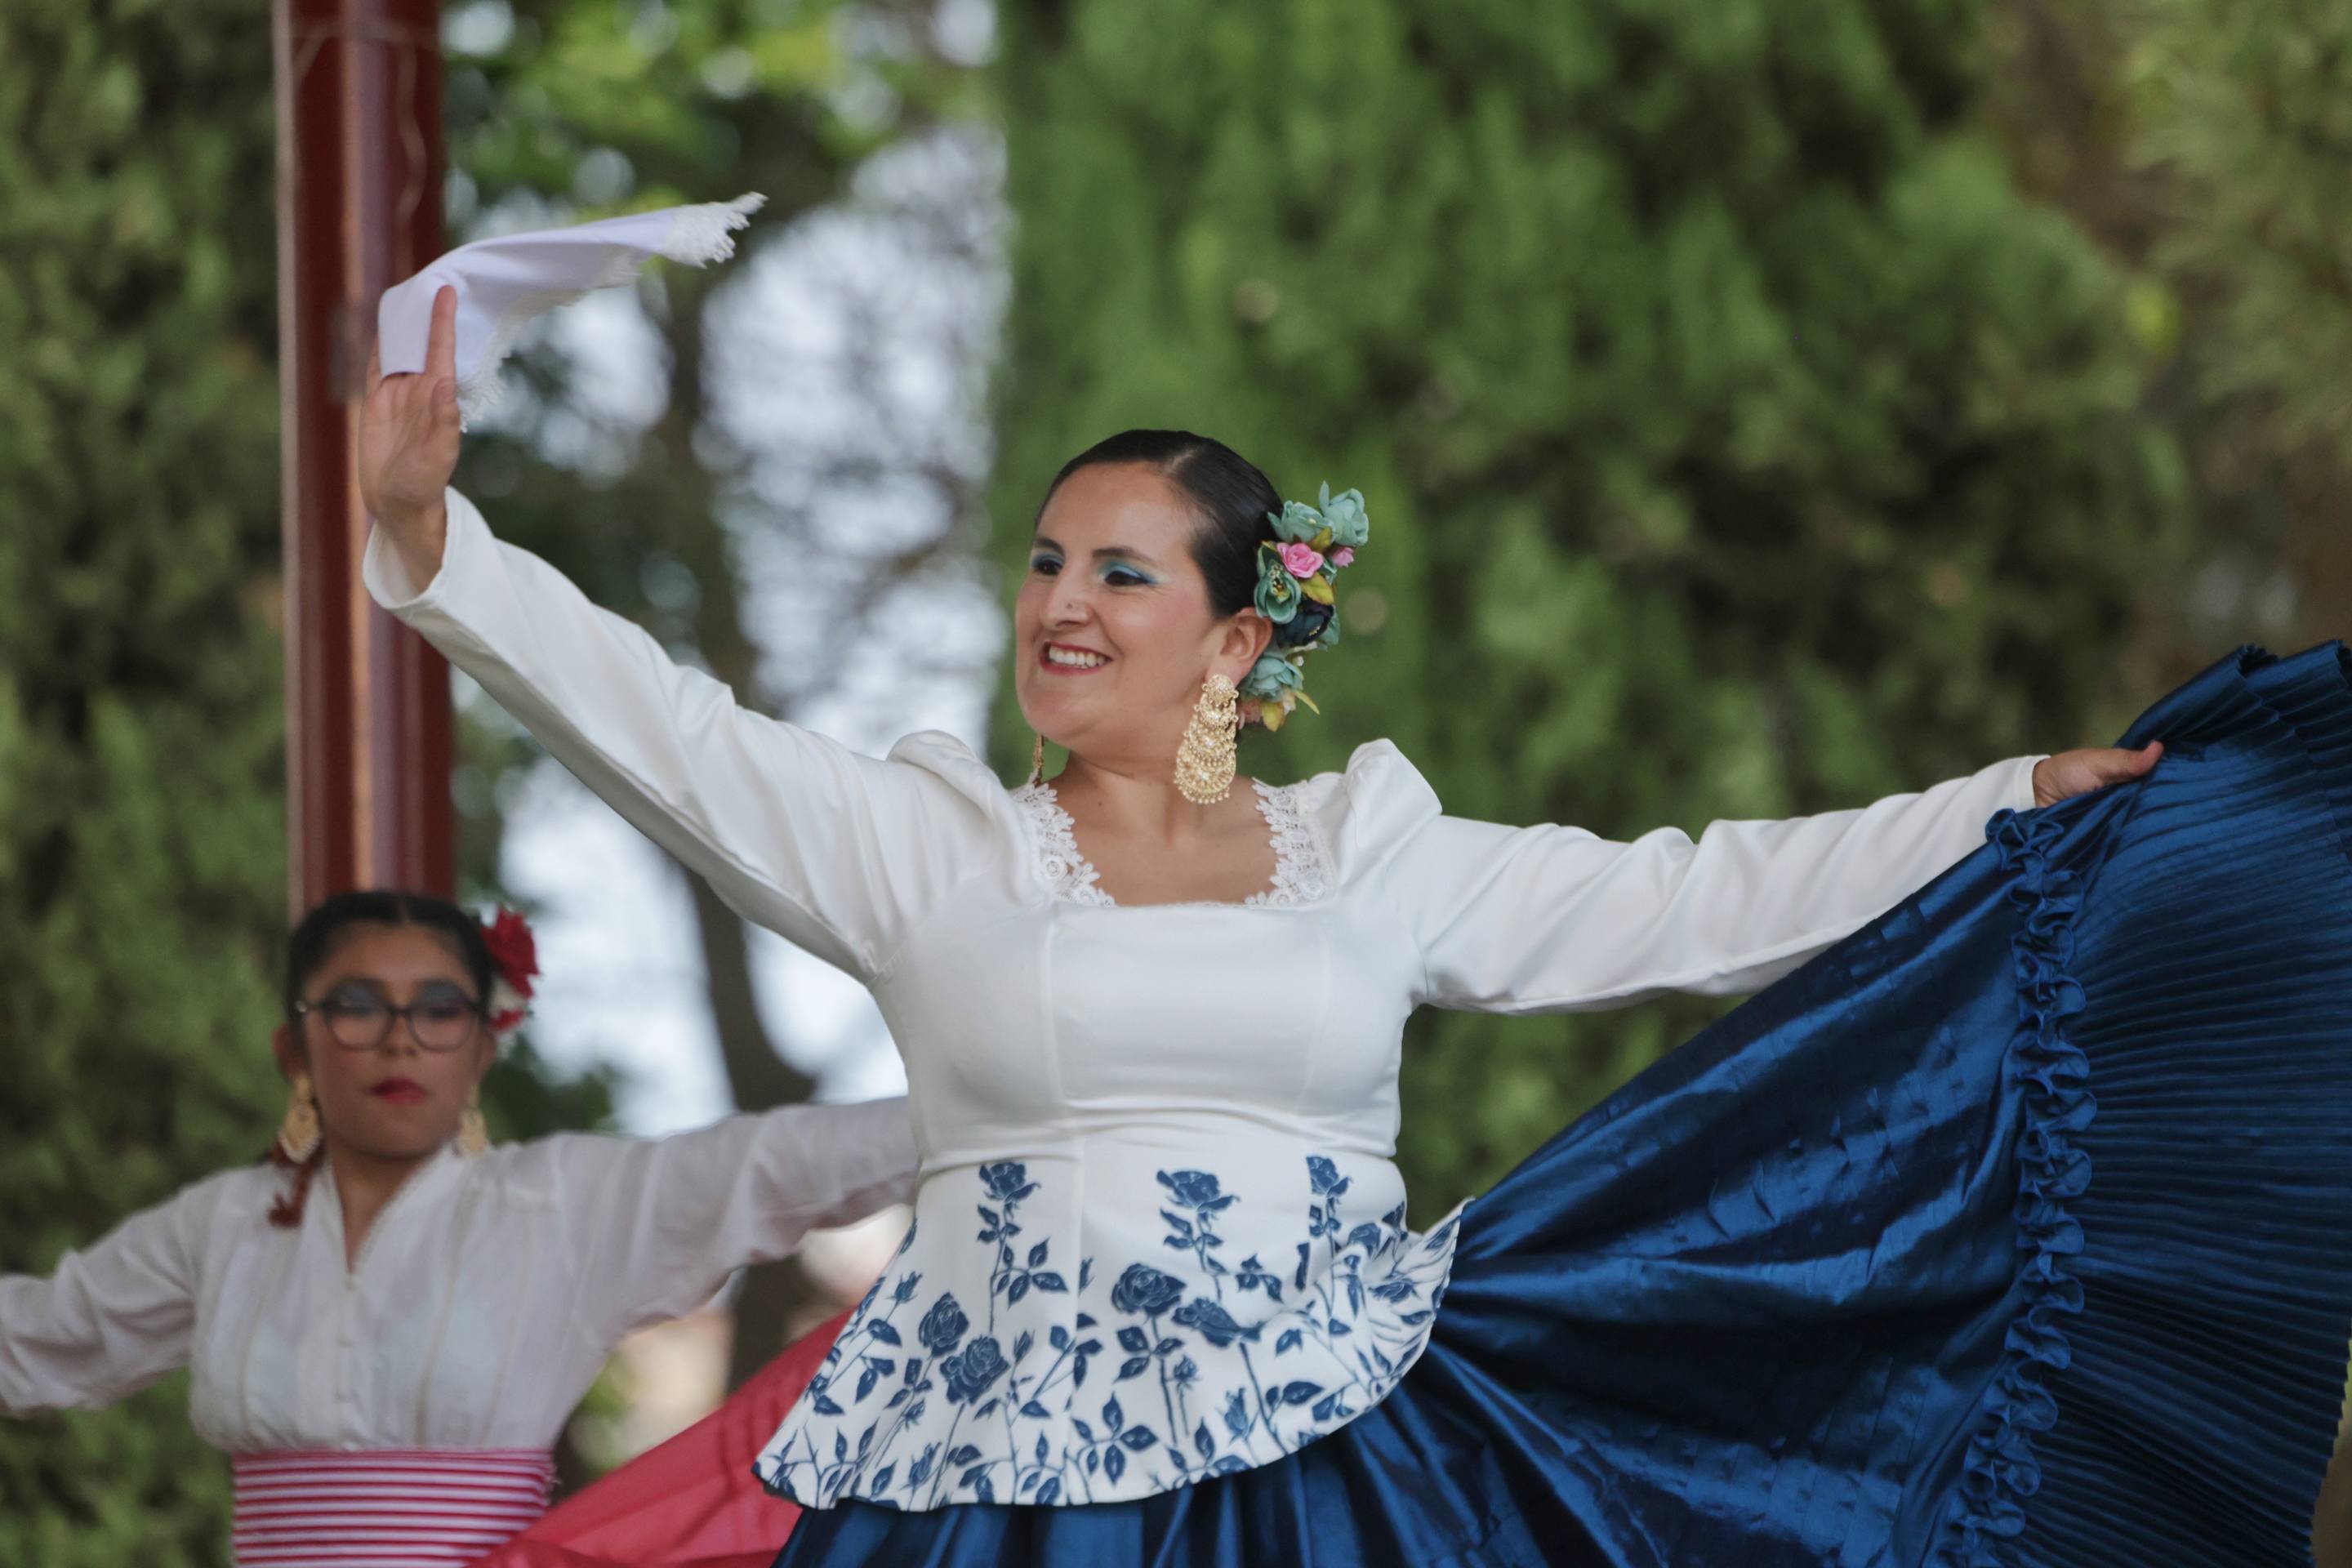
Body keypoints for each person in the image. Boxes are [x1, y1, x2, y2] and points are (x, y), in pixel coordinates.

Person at [363, 284, 2352, 1567]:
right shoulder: (922, 843)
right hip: (979, 1495)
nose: (1060, 600)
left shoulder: (1366, 849)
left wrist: (1994, 807)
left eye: (1119, 572)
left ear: (1237, 636)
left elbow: (1686, 891)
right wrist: (444, 547)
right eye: (1044, 560)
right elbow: (674, 735)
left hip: (1337, 1472)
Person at [0, 889, 917, 1565]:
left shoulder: (560, 1207)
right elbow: (35, 1339)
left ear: (481, 1049)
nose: (400, 1039)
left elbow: (784, 1161)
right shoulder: (221, 1228)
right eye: (357, 1005)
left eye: (440, 1010)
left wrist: (1032, 1123)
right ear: (296, 1047)